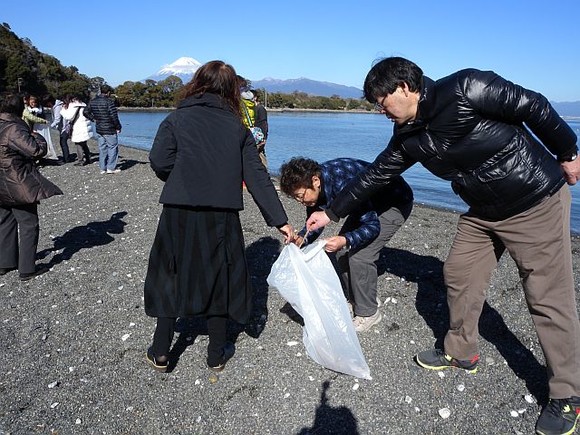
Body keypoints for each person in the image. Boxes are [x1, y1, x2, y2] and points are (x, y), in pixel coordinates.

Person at [305, 57, 580, 435]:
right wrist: (331, 212)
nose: (379, 110)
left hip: (534, 200)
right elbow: (377, 173)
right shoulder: (407, 133)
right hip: (483, 209)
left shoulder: (467, 88)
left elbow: (533, 105)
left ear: (404, 88)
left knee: (547, 297)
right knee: (458, 274)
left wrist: (567, 152)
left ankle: (567, 395)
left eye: (381, 102)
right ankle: (461, 352)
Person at [144, 60, 294, 373]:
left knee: (170, 273)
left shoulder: (176, 118)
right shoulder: (236, 127)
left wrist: (184, 178)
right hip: (221, 215)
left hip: (178, 210)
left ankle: (161, 350)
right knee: (219, 277)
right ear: (231, 90)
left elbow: (159, 161)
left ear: (197, 83)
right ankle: (215, 354)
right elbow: (256, 175)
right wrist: (280, 221)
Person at [280, 157, 413, 332]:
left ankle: (369, 313)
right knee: (342, 253)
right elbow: (316, 221)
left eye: (301, 196)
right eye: (296, 199)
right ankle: (357, 300)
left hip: (393, 202)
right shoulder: (313, 189)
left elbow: (372, 226)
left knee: (360, 256)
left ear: (315, 180)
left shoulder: (343, 183)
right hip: (366, 203)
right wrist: (302, 238)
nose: (301, 202)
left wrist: (345, 239)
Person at [0, 94, 63, 280]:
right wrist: (39, 138)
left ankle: (5, 263)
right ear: (20, 108)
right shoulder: (14, 127)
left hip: (2, 181)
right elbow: (35, 150)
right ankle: (27, 268)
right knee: (28, 223)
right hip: (17, 181)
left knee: (5, 221)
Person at [84, 85, 122, 174]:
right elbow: (114, 116)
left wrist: (93, 119)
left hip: (99, 128)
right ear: (108, 92)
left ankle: (102, 168)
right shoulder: (109, 102)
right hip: (109, 128)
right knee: (112, 147)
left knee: (102, 148)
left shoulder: (93, 101)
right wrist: (118, 127)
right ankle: (110, 168)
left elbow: (85, 112)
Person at [60, 96, 93, 167]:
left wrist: (62, 110)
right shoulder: (83, 104)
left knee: (78, 144)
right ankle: (88, 158)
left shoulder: (73, 106)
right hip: (85, 126)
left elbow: (69, 117)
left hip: (79, 126)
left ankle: (80, 160)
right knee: (83, 143)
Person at [44, 94, 72, 163]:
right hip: (63, 127)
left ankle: (67, 159)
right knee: (63, 142)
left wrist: (50, 126)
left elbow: (57, 119)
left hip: (65, 127)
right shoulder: (57, 105)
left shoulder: (57, 107)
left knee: (63, 142)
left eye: (47, 103)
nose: (47, 105)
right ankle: (66, 157)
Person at [253, 92, 269, 168]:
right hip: (254, 136)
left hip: (259, 136)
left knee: (261, 154)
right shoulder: (253, 109)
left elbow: (264, 123)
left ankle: (265, 171)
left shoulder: (260, 109)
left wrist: (264, 138)